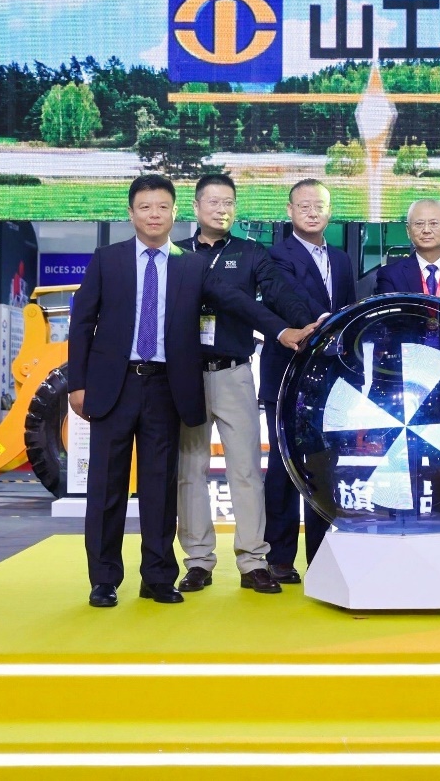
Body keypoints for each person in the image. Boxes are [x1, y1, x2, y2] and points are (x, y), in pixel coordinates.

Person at [67, 175, 316, 609]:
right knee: (108, 487)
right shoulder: (108, 259)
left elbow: (239, 303)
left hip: (167, 386)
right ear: (131, 213)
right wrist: (78, 384)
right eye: (145, 207)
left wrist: (283, 331)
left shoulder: (190, 264)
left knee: (161, 488)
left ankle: (158, 577)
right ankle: (104, 580)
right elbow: (82, 322)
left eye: (162, 207)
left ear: (174, 212)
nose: (154, 215)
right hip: (114, 386)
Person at [175, 173, 313, 596]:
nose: (221, 209)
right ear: (196, 207)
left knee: (247, 470)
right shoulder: (176, 253)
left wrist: (306, 323)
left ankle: (253, 560)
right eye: (213, 202)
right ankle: (198, 561)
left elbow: (279, 294)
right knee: (190, 470)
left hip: (234, 373)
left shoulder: (251, 253)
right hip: (185, 375)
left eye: (228, 202)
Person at [261, 180, 357, 583]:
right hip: (287, 371)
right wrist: (327, 324)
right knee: (284, 466)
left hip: (331, 379)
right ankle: (279, 556)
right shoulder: (275, 256)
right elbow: (289, 300)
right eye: (304, 206)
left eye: (319, 206)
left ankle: (322, 556)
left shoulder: (342, 259)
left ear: (329, 212)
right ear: (289, 211)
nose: (312, 212)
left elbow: (351, 311)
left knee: (325, 464)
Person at [374, 198, 440, 310]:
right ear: (408, 230)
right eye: (419, 224)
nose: (426, 230)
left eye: (433, 223)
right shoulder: (390, 275)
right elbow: (388, 319)